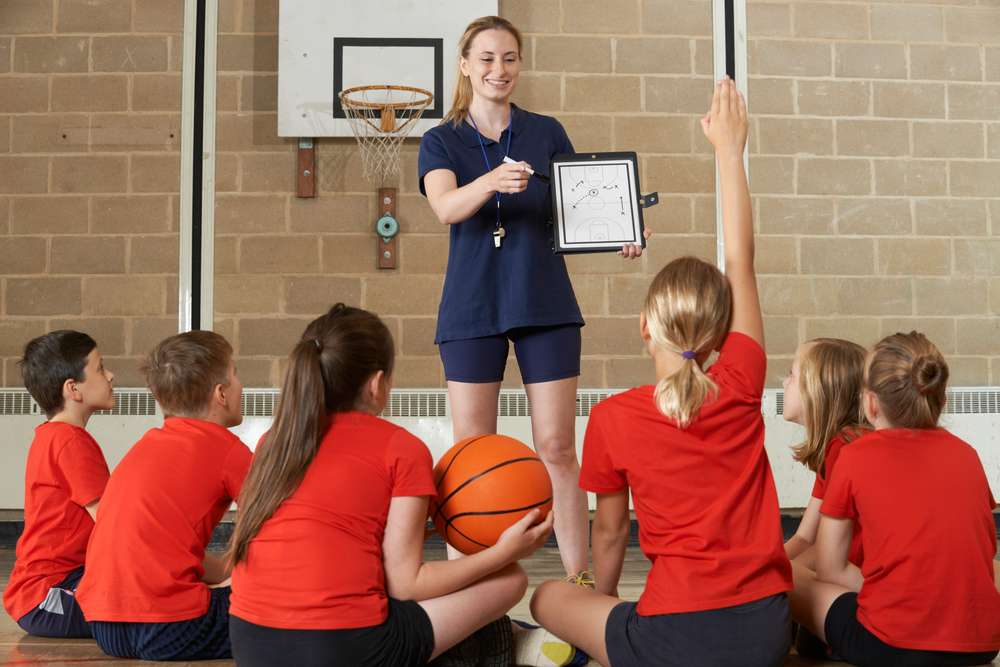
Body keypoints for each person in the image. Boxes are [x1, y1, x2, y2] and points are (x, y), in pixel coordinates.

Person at [528, 79, 793, 667]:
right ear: (723, 335)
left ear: (646, 324)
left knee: (548, 597)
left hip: (674, 638)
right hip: (767, 632)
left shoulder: (613, 418)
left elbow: (612, 534)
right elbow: (740, 263)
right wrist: (729, 152)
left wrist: (597, 611)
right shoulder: (743, 380)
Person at [418, 15, 647, 583]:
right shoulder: (440, 140)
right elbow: (446, 207)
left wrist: (618, 227)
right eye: (488, 59)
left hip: (544, 303)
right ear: (466, 66)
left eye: (510, 59)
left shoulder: (546, 132)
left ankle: (579, 580)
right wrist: (493, 180)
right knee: (471, 453)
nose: (500, 70)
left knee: (557, 446)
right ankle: (467, 585)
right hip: (472, 308)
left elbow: (573, 209)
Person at [227, 304, 553, 666]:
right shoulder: (401, 448)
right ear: (377, 384)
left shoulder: (274, 443)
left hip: (250, 643)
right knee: (509, 580)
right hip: (346, 650)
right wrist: (503, 552)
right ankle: (480, 646)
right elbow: (406, 584)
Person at [789, 331, 1000, 667]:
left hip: (893, 645)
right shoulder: (968, 455)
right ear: (940, 401)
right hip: (983, 643)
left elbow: (830, 568)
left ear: (870, 404)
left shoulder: (855, 455)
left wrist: (893, 592)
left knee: (785, 574)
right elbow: (982, 549)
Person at [76, 331, 251, 661]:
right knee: (277, 614)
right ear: (221, 394)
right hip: (171, 628)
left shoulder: (144, 446)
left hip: (105, 627)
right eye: (236, 373)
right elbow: (277, 522)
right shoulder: (229, 450)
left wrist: (225, 569)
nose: (240, 383)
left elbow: (159, 547)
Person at [3, 331, 113, 638]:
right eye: (101, 368)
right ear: (73, 388)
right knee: (150, 604)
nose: (111, 375)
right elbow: (112, 524)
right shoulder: (69, 441)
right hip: (47, 594)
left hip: (70, 579)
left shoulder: (58, 436)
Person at [782, 338, 869, 571]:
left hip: (861, 578)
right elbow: (804, 538)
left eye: (791, 374)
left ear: (817, 391)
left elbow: (822, 551)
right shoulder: (835, 446)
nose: (784, 383)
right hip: (847, 571)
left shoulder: (846, 448)